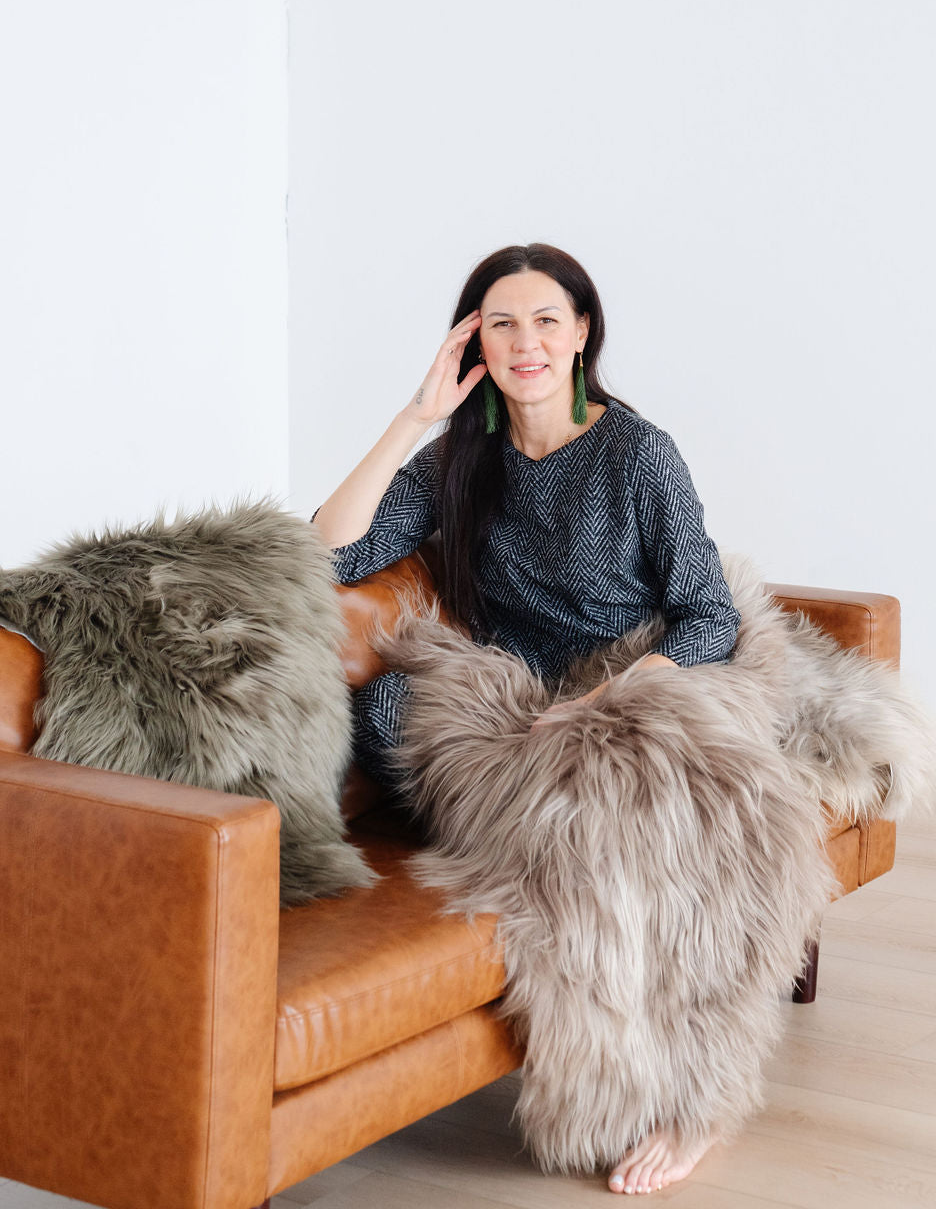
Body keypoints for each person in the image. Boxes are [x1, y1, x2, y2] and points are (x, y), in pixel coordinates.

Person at [313, 242, 740, 1195]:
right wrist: (415, 416)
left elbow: (710, 614)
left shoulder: (638, 453)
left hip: (633, 690)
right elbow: (327, 557)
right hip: (514, 707)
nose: (525, 342)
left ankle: (688, 1101)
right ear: (475, 343)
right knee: (387, 704)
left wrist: (609, 700)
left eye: (547, 320)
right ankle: (540, 847)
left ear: (582, 333)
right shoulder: (460, 456)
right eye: (501, 323)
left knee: (630, 818)